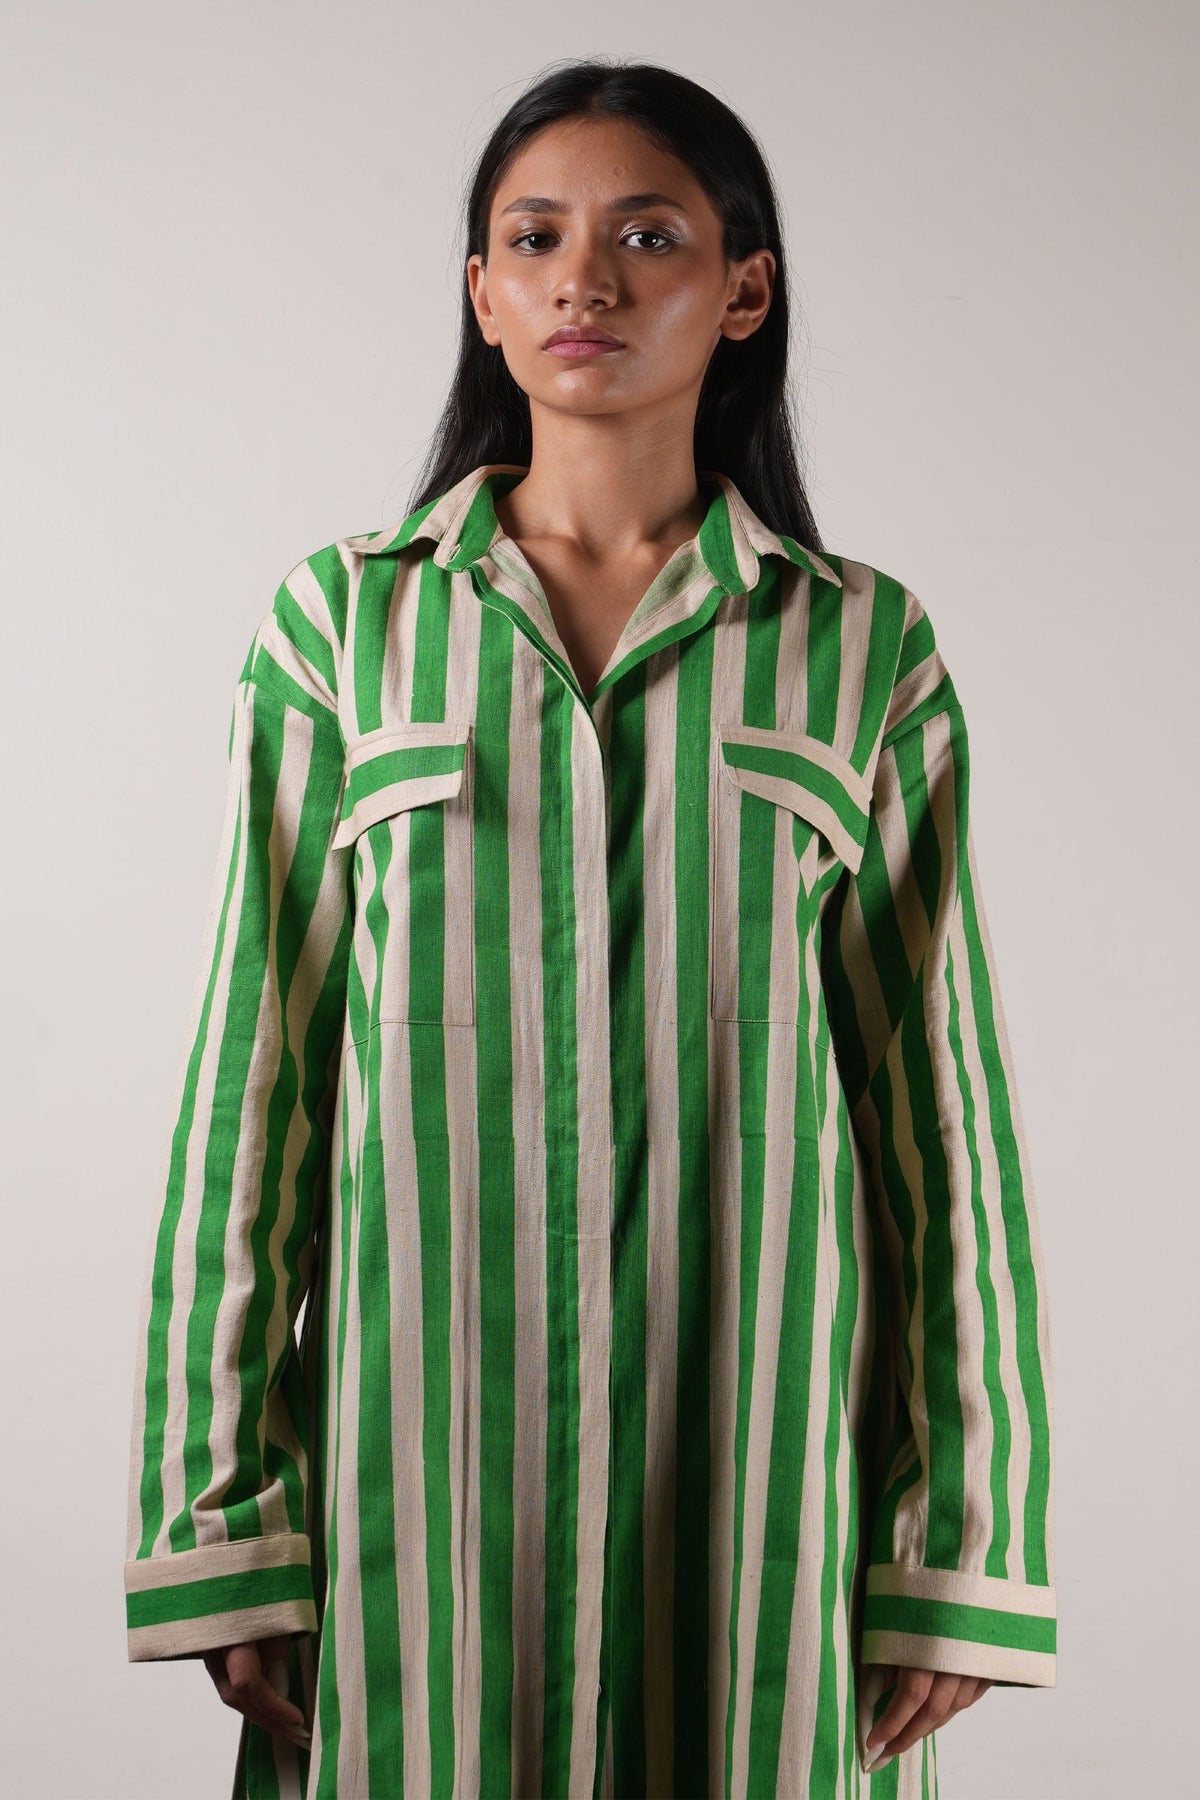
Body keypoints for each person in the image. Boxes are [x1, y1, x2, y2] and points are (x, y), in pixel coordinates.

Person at [123, 56, 1056, 1800]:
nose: (587, 281)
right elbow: (251, 1092)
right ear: (482, 294)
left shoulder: (862, 652)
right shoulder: (342, 633)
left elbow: (945, 1128)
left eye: (647, 236)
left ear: (745, 291)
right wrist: (220, 1516)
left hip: (765, 1506)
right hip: (407, 1512)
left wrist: (964, 1540)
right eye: (535, 238)